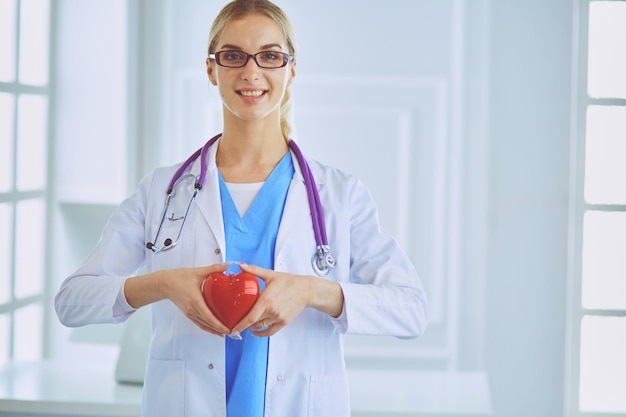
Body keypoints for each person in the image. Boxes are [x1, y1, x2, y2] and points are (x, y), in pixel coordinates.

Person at [54, 1, 428, 416]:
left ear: (292, 69)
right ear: (212, 69)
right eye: (233, 56)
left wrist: (310, 291)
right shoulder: (162, 190)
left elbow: (410, 311)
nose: (251, 73)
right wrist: (161, 284)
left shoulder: (338, 194)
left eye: (269, 56)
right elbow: (71, 302)